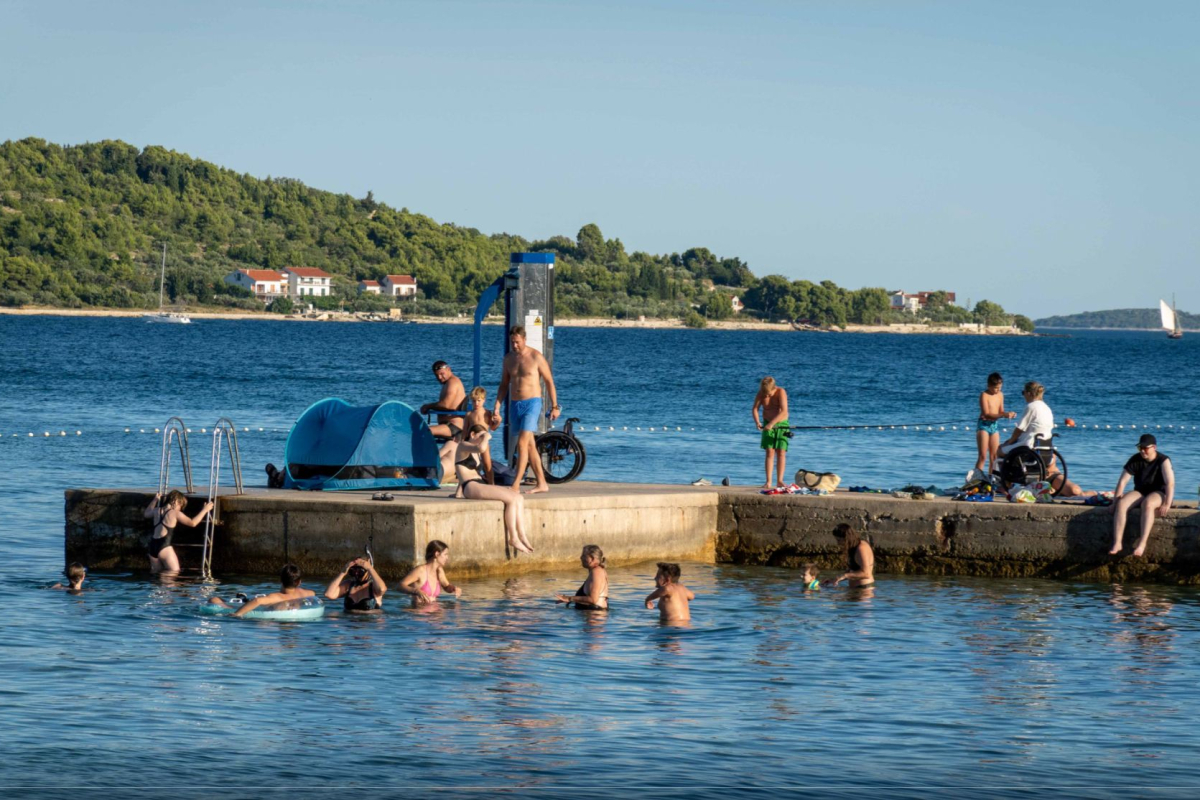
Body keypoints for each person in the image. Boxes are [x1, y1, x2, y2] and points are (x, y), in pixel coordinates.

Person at [493, 325, 559, 494]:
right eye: (512, 342)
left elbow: (549, 381)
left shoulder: (536, 357)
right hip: (515, 405)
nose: (514, 345)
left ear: (524, 339)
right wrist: (497, 406)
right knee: (529, 446)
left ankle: (516, 484)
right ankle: (542, 483)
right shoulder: (508, 359)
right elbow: (504, 384)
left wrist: (554, 406)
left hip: (532, 403)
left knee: (522, 443)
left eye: (517, 342)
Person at [455, 425, 533, 553]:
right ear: (472, 434)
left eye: (484, 437)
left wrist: (457, 493)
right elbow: (481, 449)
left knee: (518, 497)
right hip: (470, 485)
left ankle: (522, 535)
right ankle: (513, 538)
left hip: (479, 484)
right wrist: (486, 436)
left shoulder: (475, 451)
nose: (483, 439)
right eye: (480, 436)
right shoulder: (463, 445)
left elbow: (467, 469)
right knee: (511, 500)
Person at [1109, 434, 1175, 558]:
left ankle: (1142, 543)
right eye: (1140, 448)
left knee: (1148, 504)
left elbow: (1170, 483)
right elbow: (1122, 481)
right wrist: (1114, 502)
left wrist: (1167, 503)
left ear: (1154, 447)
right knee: (1122, 504)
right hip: (1140, 491)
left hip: (1159, 492)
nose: (1142, 451)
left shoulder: (1163, 460)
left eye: (1145, 448)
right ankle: (1117, 542)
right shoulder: (1135, 459)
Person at [142, 490, 214, 574]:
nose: (180, 508)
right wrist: (205, 510)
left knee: (155, 573)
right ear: (176, 501)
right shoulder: (175, 513)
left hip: (152, 546)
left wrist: (155, 500)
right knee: (174, 572)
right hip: (164, 547)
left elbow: (146, 514)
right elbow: (193, 523)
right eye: (181, 505)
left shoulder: (157, 510)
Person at [208, 564, 315, 617]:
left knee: (214, 599)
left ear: (280, 580)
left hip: (262, 613)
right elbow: (313, 595)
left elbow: (257, 601)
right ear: (299, 582)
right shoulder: (306, 593)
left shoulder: (277, 597)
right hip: (282, 613)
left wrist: (237, 614)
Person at [975, 372, 1017, 474]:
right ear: (989, 385)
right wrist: (1003, 415)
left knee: (994, 456)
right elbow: (986, 414)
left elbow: (1001, 411)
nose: (998, 390)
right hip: (983, 425)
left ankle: (991, 478)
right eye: (995, 388)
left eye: (1000, 387)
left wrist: (1008, 414)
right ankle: (976, 477)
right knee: (982, 456)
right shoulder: (984, 395)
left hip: (994, 426)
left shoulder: (1000, 395)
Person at [997, 381, 1053, 458]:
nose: (1023, 396)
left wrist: (1010, 442)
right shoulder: (1047, 408)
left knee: (1000, 451)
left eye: (1023, 393)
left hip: (1030, 445)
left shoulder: (1031, 407)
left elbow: (1019, 429)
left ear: (1029, 393)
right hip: (1045, 445)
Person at [752, 376, 789, 489]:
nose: (767, 396)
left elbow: (784, 411)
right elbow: (755, 409)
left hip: (781, 424)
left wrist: (772, 424)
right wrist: (757, 422)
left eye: (769, 394)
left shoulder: (781, 392)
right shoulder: (761, 393)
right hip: (767, 423)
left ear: (774, 388)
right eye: (765, 393)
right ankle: (768, 481)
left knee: (781, 452)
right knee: (769, 451)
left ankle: (780, 481)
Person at [399, 540, 462, 607]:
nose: (447, 558)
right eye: (445, 554)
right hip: (419, 611)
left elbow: (446, 586)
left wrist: (453, 588)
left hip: (436, 611)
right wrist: (416, 591)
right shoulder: (420, 570)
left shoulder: (439, 570)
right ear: (437, 554)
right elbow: (400, 586)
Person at [421, 360, 467, 439]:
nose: (439, 377)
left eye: (442, 374)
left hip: (454, 427)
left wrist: (428, 406)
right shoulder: (447, 383)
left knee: (423, 431)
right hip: (447, 426)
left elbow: (446, 405)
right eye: (437, 375)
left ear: (449, 369)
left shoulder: (453, 382)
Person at [555, 544, 608, 609]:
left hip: (595, 614)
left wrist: (569, 598)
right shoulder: (597, 571)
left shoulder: (597, 572)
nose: (581, 557)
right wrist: (567, 598)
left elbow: (593, 599)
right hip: (593, 613)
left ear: (592, 558)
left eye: (584, 555)